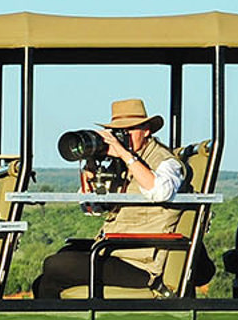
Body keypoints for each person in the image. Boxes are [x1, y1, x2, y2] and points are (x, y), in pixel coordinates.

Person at [33, 98, 186, 298]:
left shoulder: (165, 161)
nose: (123, 137)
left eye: (129, 130)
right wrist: (91, 173)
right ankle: (54, 317)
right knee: (49, 273)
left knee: (55, 265)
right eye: (118, 132)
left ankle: (54, 318)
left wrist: (125, 156)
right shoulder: (120, 164)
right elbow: (93, 208)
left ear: (146, 130)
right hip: (114, 251)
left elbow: (161, 192)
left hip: (141, 263)